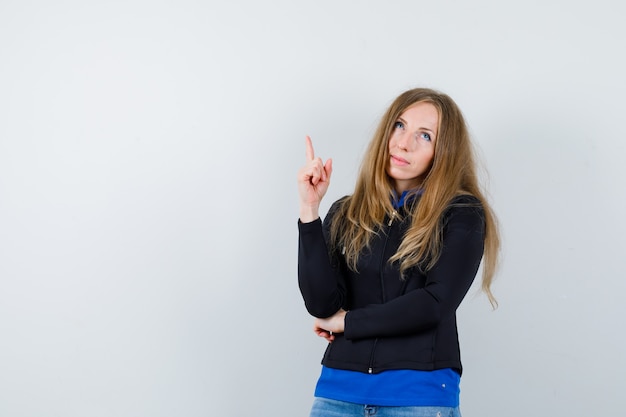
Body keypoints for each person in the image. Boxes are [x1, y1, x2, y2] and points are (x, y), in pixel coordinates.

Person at [296, 87, 500, 417]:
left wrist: (348, 323)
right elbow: (321, 305)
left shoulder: (461, 212)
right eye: (400, 126)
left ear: (443, 151)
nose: (404, 143)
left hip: (418, 396)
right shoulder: (347, 211)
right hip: (337, 395)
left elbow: (434, 304)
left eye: (425, 136)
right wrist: (309, 209)